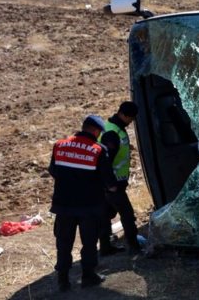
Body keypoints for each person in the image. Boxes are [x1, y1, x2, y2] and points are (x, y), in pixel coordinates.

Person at [49, 115, 114, 291]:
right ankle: (88, 276)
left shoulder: (59, 145)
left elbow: (53, 171)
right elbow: (109, 182)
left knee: (63, 243)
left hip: (63, 205)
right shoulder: (98, 150)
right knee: (89, 242)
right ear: (95, 131)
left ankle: (63, 281)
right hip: (90, 207)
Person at [98, 101, 142, 256]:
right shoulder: (112, 133)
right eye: (130, 118)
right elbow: (104, 162)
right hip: (112, 184)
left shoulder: (112, 128)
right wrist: (110, 185)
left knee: (105, 216)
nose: (131, 121)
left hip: (108, 184)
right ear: (122, 114)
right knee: (127, 215)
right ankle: (134, 246)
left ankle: (105, 247)